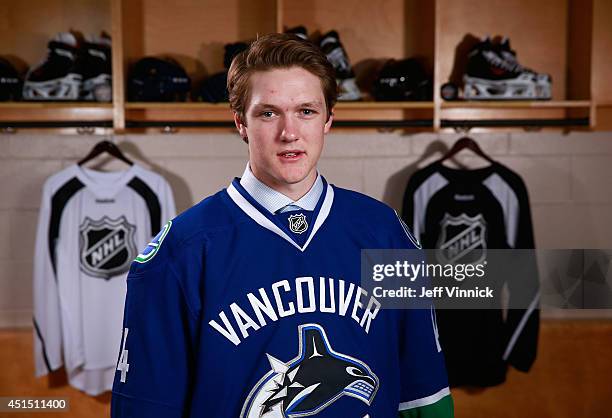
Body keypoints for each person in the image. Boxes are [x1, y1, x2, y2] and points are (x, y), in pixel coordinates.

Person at [111, 33, 453, 418]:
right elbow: (145, 407)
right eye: (268, 113)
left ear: (328, 120)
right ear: (241, 122)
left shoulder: (385, 233)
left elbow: (425, 397)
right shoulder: (182, 251)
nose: (289, 132)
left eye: (306, 111)